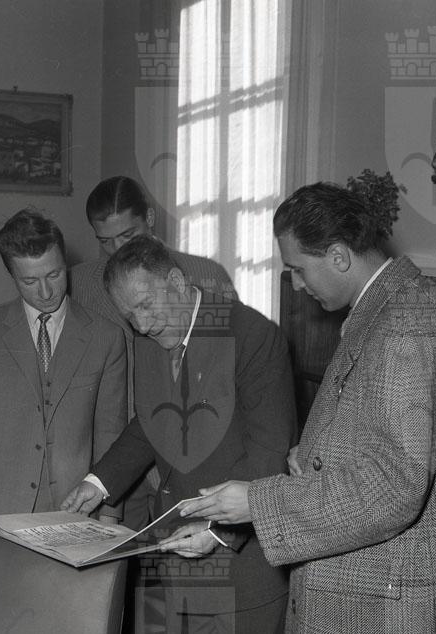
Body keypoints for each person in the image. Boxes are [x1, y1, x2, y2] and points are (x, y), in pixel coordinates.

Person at [175, 182, 436, 632]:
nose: (297, 285)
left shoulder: (403, 326)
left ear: (339, 256)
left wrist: (257, 503)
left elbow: (395, 487)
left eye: (298, 269)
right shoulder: (383, 311)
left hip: (379, 608)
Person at [62, 234, 296, 633]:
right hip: (177, 562)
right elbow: (151, 422)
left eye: (146, 306)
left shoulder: (251, 335)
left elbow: (269, 451)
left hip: (243, 571)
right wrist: (98, 483)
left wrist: (219, 531)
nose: (142, 325)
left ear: (176, 281)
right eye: (130, 316)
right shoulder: (151, 337)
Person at [0, 208, 127, 540]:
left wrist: (110, 516)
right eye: (29, 281)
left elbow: (110, 434)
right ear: (11, 275)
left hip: (75, 516)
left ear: (66, 263)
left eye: (54, 275)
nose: (45, 292)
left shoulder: (106, 337)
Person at [70, 175, 238, 531]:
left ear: (149, 218)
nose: (116, 249)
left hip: (190, 451)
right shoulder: (80, 284)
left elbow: (226, 373)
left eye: (127, 235)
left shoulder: (207, 276)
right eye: (104, 241)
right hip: (116, 457)